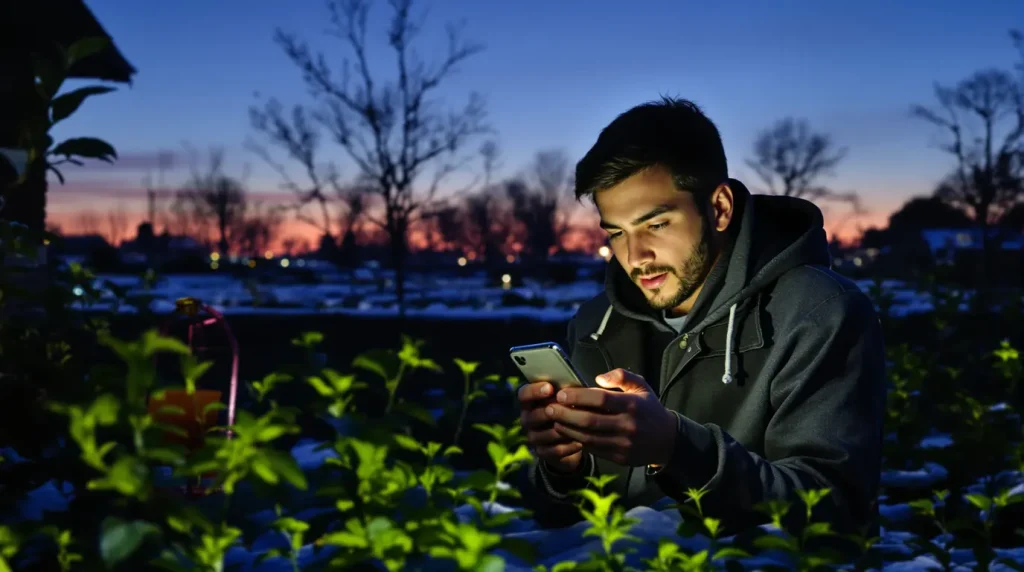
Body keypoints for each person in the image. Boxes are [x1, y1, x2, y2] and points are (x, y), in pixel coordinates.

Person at [517, 97, 887, 537]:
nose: (635, 257)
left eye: (656, 225)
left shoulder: (820, 312)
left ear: (720, 208)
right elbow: (564, 526)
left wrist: (676, 449)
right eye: (617, 232)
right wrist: (563, 470)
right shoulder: (595, 325)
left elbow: (835, 512)